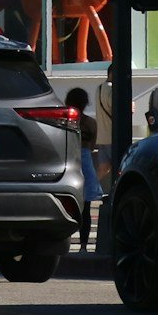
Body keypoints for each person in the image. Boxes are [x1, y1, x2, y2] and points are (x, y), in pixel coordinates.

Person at [66, 86, 102, 251]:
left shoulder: (66, 120)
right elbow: (93, 144)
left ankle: (65, 241)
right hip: (86, 163)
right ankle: (83, 245)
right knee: (86, 208)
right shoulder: (90, 123)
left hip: (68, 161)